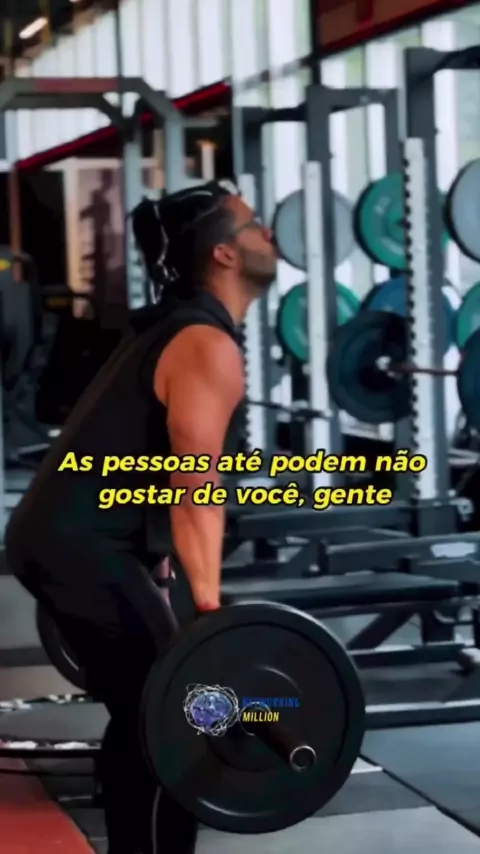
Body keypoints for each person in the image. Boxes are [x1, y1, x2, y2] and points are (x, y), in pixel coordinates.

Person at [5, 180, 277, 854]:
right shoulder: (203, 343)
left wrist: (155, 562)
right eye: (254, 225)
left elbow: (137, 455)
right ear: (222, 253)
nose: (270, 234)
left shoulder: (178, 328)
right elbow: (195, 485)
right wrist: (207, 612)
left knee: (145, 708)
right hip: (79, 545)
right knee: (176, 705)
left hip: (76, 540)